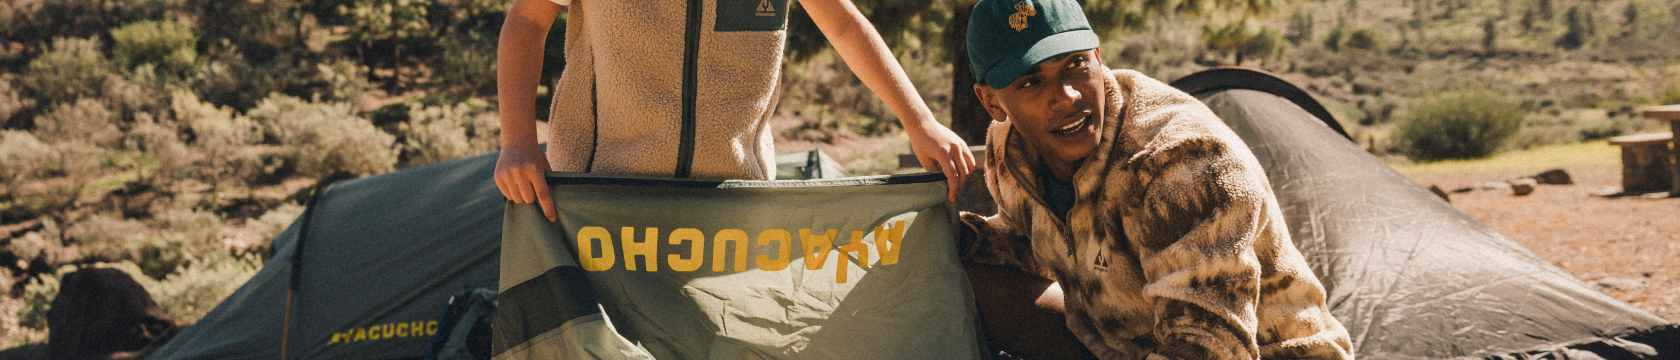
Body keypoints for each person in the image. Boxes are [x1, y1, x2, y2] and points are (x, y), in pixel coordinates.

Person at [956, 0, 1354, 358]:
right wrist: (945, 236)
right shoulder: (1011, 151)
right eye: (1030, 82)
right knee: (956, 273)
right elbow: (1033, 243)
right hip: (1119, 344)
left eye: (1075, 64)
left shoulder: (1182, 162)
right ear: (992, 102)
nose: (1068, 96)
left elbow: (1210, 345)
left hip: (1264, 352)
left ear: (1098, 56)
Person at [493, 0, 976, 222]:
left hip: (734, 201)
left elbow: (845, 26)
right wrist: (517, 141)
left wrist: (920, 121)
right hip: (599, 197)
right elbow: (528, 21)